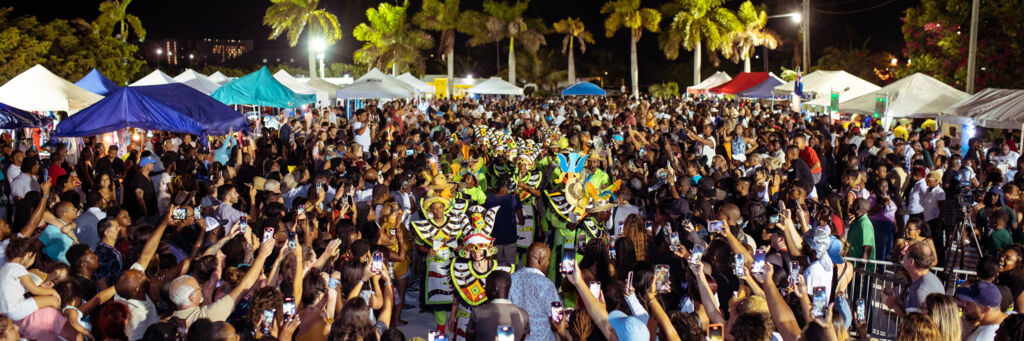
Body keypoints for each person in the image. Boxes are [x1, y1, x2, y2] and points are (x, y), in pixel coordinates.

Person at [509, 243, 560, 341]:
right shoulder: (546, 284)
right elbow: (556, 318)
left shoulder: (512, 279)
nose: (549, 263)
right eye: (548, 259)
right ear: (541, 260)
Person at [882, 241, 944, 316]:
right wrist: (897, 300)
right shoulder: (929, 279)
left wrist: (894, 305)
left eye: (905, 255)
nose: (902, 257)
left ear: (911, 261)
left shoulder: (920, 290)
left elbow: (912, 325)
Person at [465, 270, 530, 341]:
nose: (484, 288)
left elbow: (469, 338)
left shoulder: (478, 313)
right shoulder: (523, 315)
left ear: (495, 289)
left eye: (487, 285)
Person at [484, 177, 522, 265]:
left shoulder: (489, 199)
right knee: (510, 264)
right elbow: (521, 219)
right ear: (508, 187)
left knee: (495, 264)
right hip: (510, 237)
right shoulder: (514, 199)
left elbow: (486, 217)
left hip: (494, 238)